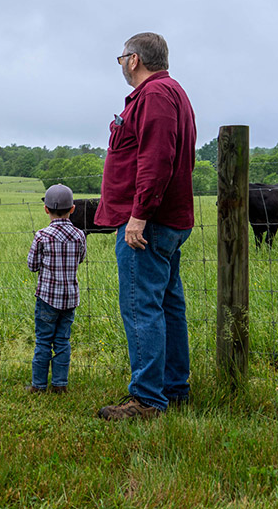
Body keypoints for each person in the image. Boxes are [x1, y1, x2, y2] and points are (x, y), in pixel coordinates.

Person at [95, 32, 197, 421]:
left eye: (122, 58)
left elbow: (156, 160)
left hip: (148, 222)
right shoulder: (173, 93)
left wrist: (139, 215)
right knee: (168, 304)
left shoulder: (154, 96)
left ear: (134, 59)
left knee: (141, 307)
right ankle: (174, 388)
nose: (121, 64)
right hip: (168, 218)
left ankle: (147, 399)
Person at [26, 184, 86, 394]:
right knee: (62, 341)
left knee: (43, 340)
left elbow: (32, 266)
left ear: (46, 209)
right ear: (72, 209)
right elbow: (80, 259)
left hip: (47, 298)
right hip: (70, 298)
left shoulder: (42, 236)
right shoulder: (79, 235)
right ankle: (60, 384)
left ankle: (38, 385)